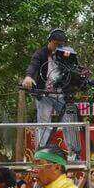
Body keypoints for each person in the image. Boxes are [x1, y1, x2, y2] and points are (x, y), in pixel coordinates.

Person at [21, 29, 82, 157]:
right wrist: (28, 77)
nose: (57, 47)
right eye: (55, 44)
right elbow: (33, 65)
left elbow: (75, 69)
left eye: (60, 44)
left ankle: (74, 153)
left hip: (61, 95)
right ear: (49, 42)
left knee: (69, 121)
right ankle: (41, 152)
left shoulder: (66, 55)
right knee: (44, 123)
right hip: (44, 94)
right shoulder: (41, 53)